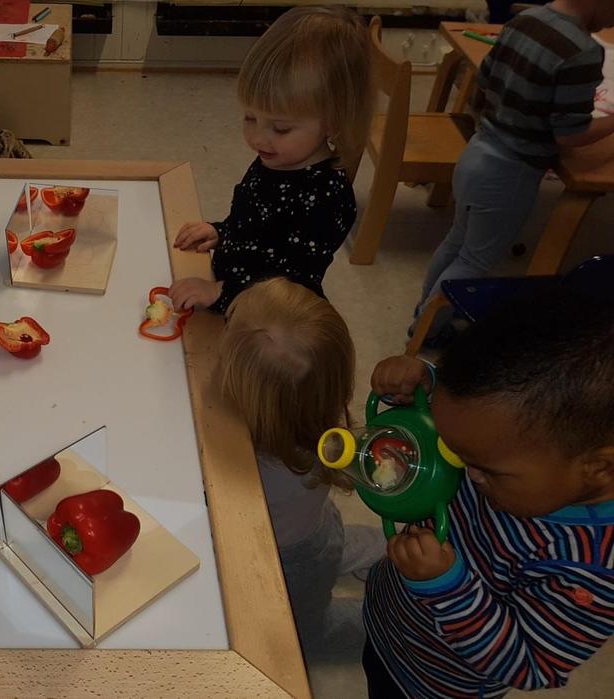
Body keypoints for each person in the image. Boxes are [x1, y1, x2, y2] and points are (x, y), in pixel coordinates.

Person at [364, 287, 614, 698]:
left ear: (599, 468)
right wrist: (424, 391)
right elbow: (481, 419)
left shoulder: (591, 569)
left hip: (433, 684)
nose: (465, 471)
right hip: (390, 619)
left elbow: (533, 665)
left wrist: (446, 585)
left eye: (485, 468)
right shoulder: (509, 443)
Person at [411, 0, 614, 344]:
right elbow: (570, 134)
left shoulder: (526, 19)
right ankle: (427, 330)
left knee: (457, 241)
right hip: (511, 171)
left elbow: (487, 78)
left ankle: (424, 315)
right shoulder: (582, 51)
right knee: (474, 260)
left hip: (478, 150)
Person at [218, 278, 382, 661]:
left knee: (305, 633)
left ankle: (386, 627)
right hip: (317, 526)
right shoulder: (315, 416)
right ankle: (380, 548)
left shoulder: (255, 467)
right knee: (328, 542)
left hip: (290, 561)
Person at [169, 6, 373, 314]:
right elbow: (253, 226)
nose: (258, 138)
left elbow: (292, 283)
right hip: (230, 293)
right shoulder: (277, 157)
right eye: (250, 117)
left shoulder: (328, 197)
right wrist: (222, 232)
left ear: (333, 121)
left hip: (269, 319)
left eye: (280, 127)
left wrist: (221, 292)